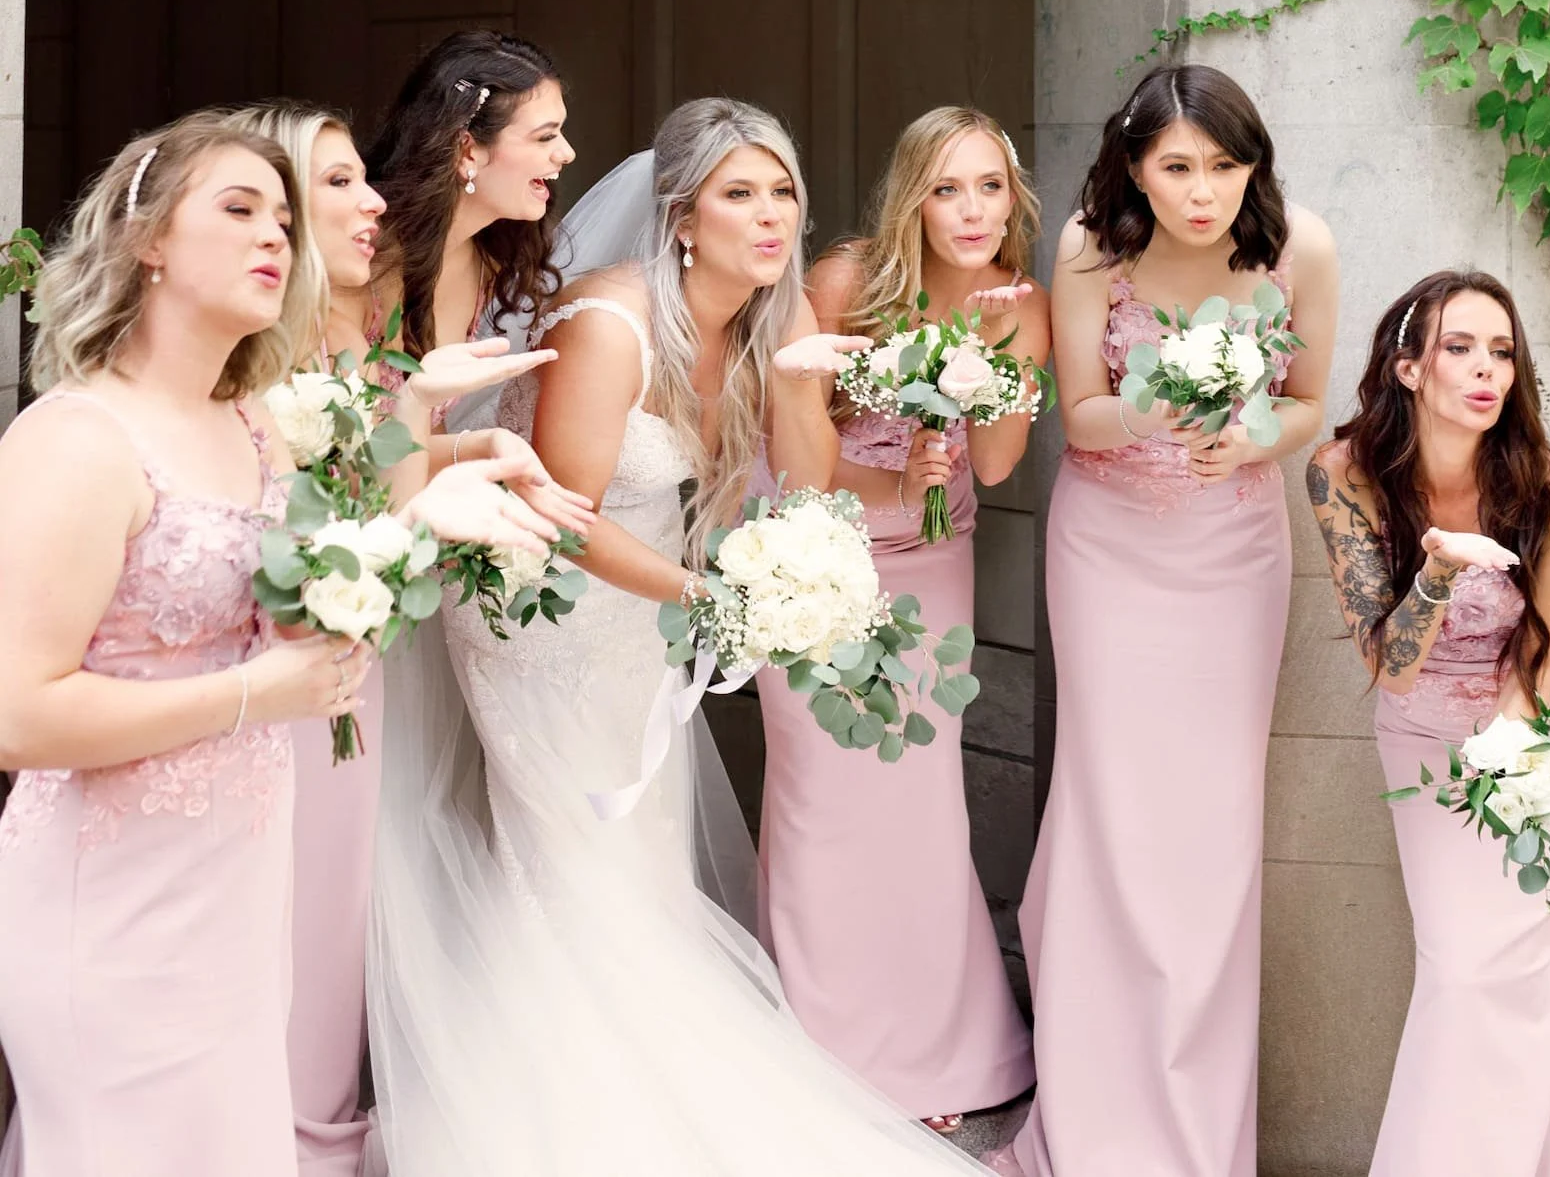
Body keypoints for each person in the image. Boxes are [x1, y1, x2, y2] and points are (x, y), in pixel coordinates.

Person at [367, 97, 957, 1176]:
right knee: (567, 847)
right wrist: (713, 598)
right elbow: (567, 514)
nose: (770, 214)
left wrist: (829, 427)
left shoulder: (762, 323)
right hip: (531, 606)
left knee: (628, 854)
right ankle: (543, 1124)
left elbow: (803, 479)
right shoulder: (608, 321)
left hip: (639, 609)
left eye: (782, 189)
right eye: (739, 192)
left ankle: (614, 1093)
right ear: (681, 216)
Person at [0, 114, 370, 1177]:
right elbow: (19, 714)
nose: (278, 240)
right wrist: (260, 691)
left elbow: (300, 607)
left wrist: (420, 532)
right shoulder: (75, 439)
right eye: (240, 209)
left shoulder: (253, 427)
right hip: (109, 906)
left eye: (286, 222)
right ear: (150, 239)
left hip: (237, 893)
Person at [238, 100, 592, 1175]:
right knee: (278, 919)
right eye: (339, 183)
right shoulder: (253, 350)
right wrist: (434, 424)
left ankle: (317, 1121)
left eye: (365, 179)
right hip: (272, 667)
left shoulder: (362, 324)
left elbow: (380, 492)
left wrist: (455, 432)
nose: (373, 202)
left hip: (355, 656)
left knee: (338, 907)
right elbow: (289, 535)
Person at [1000, 64, 1338, 1177]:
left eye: (1226, 166)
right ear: (1136, 164)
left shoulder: (1300, 250)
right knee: (1107, 811)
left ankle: (1195, 1130)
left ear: (1255, 166)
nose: (1204, 191)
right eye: (1179, 167)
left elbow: (1308, 405)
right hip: (1110, 552)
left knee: (1208, 828)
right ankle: (1095, 1113)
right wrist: (1174, 386)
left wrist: (1251, 436)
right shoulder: (1093, 247)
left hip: (1233, 554)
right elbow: (1082, 422)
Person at [761, 106, 1045, 1129]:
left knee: (920, 798)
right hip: (821, 553)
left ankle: (926, 1052)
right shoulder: (842, 284)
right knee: (823, 802)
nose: (969, 210)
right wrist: (889, 477)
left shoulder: (1019, 304)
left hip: (934, 565)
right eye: (945, 187)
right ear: (910, 197)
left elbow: (1001, 463)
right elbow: (784, 447)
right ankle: (824, 1047)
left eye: (987, 186)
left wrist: (971, 392)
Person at [1307, 270, 1550, 1177]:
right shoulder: (1342, 474)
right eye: (1458, 347)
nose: (1486, 371)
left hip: (1545, 724)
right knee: (1465, 968)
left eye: (1502, 352)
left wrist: (1513, 758)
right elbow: (1387, 667)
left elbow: (1538, 652)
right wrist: (1440, 570)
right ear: (1406, 368)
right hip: (1421, 729)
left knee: (1517, 962)